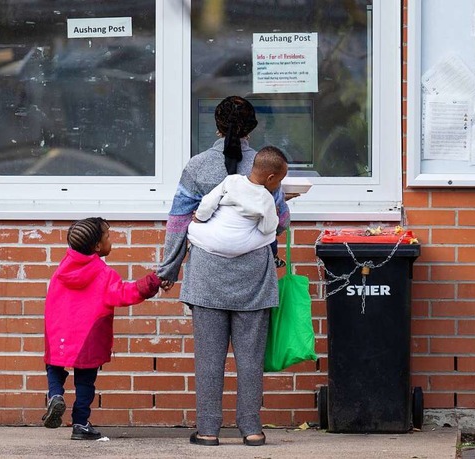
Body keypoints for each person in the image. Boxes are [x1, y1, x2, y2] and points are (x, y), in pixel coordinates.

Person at [157, 96, 290, 447]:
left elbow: (178, 222)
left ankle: (208, 431)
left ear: (215, 125)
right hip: (254, 276)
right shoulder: (266, 165)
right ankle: (252, 429)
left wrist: (168, 269)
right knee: (250, 358)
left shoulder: (197, 166)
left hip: (206, 275)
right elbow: (279, 225)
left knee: (209, 358)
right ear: (252, 128)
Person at [42, 217, 163, 440]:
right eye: (108, 236)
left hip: (58, 329)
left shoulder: (62, 269)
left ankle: (55, 395)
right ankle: (80, 424)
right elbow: (125, 294)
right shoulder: (104, 275)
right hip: (88, 335)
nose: (111, 240)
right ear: (97, 246)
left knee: (54, 366)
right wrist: (152, 282)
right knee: (85, 380)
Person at [187, 145, 288, 266]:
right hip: (239, 246)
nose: (279, 185)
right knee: (269, 235)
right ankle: (274, 257)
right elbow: (266, 229)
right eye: (279, 180)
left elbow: (209, 201)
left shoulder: (231, 180)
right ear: (270, 178)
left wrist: (199, 217)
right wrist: (274, 217)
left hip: (213, 239)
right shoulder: (266, 198)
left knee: (192, 227)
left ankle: (195, 244)